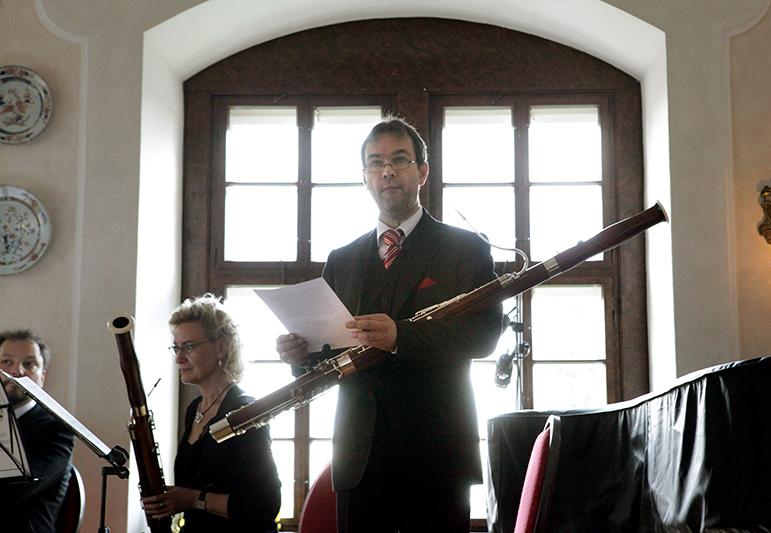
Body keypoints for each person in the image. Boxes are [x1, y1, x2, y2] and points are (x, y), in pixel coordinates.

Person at [277, 116, 503, 532]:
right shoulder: (342, 260)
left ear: (423, 171)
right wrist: (299, 354)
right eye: (376, 163)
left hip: (437, 454)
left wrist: (400, 336)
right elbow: (329, 355)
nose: (387, 172)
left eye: (399, 160)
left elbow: (484, 335)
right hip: (358, 457)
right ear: (364, 177)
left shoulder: (465, 249)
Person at [142, 294, 281, 532]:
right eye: (176, 348)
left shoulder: (245, 412)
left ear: (221, 347)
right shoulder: (194, 409)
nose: (179, 358)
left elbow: (265, 505)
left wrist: (192, 499)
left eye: (189, 347)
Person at [0, 329, 75, 533]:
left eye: (29, 364)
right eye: (6, 362)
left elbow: (13, 490)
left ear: (42, 377)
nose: (17, 371)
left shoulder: (58, 430)